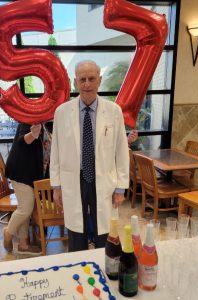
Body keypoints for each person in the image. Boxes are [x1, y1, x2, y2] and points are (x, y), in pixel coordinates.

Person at [50, 60, 129, 252]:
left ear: (99, 80)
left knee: (105, 228)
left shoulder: (114, 111)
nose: (87, 84)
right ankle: (78, 267)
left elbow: (121, 150)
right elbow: (56, 151)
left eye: (91, 79)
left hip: (103, 179)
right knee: (76, 230)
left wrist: (121, 187)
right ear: (75, 81)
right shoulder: (61, 112)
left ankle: (105, 265)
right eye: (82, 79)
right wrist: (56, 186)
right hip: (74, 179)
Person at [3, 122, 44, 255]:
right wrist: (33, 134)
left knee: (25, 207)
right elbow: (23, 140)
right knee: (25, 208)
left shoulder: (47, 121)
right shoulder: (30, 118)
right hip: (21, 171)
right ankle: (8, 232)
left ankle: (23, 244)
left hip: (27, 171)